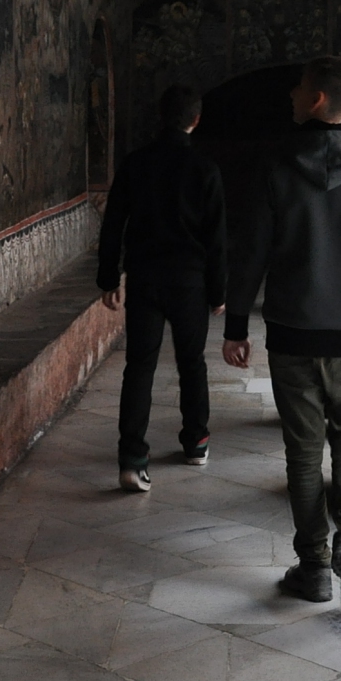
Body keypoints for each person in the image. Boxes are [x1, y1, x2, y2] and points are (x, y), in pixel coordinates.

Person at [223, 56, 341, 604]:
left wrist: (237, 323)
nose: (290, 92)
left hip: (292, 331)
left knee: (304, 451)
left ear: (315, 101)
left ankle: (314, 566)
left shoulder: (275, 164)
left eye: (299, 86)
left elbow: (252, 252)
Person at [97, 83, 228, 493]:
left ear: (160, 116)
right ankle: (195, 442)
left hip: (146, 280)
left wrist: (108, 278)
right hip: (189, 282)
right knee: (192, 365)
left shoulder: (135, 164)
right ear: (196, 119)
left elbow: (113, 224)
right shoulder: (205, 170)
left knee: (140, 367)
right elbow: (217, 239)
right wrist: (219, 291)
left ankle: (133, 459)